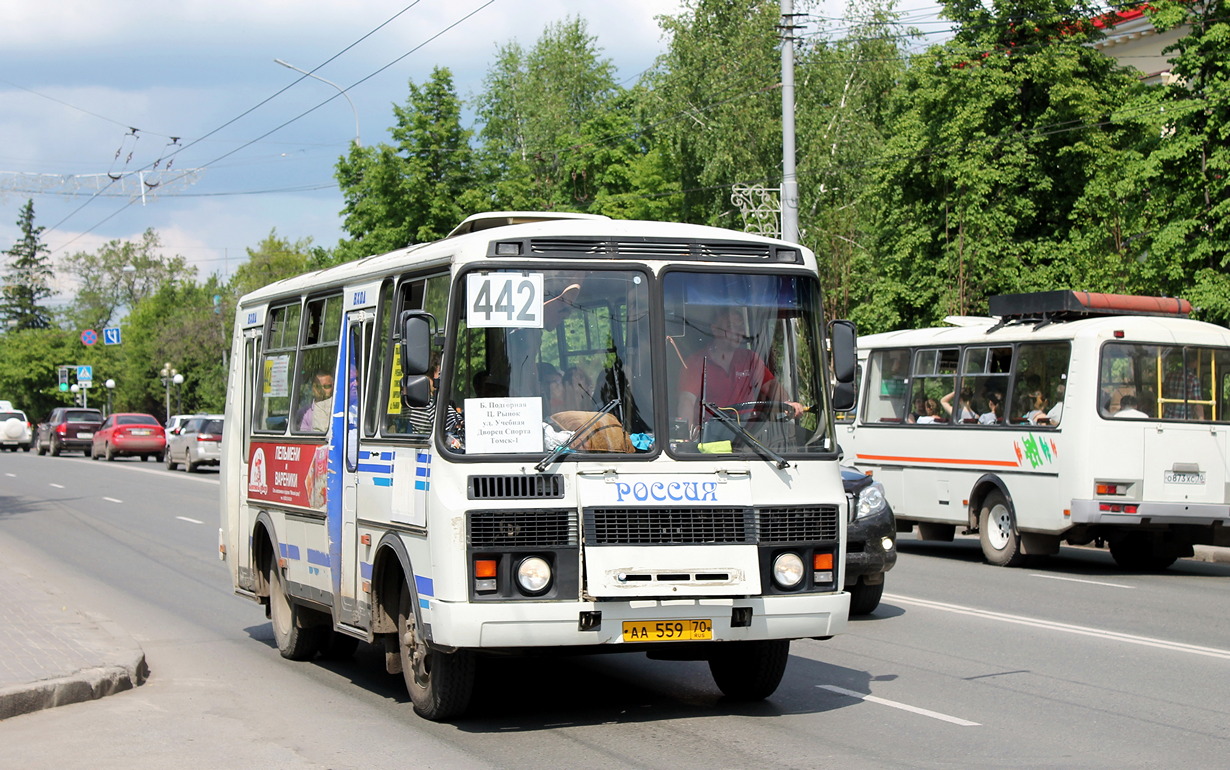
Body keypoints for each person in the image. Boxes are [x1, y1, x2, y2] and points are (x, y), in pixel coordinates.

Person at [675, 308, 803, 429]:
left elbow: (771, 387)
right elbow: (687, 401)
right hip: (710, 439)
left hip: (749, 437)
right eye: (731, 327)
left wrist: (787, 403)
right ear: (715, 330)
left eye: (740, 327)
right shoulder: (696, 363)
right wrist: (687, 435)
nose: (738, 333)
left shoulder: (749, 359)